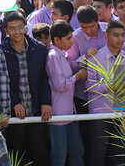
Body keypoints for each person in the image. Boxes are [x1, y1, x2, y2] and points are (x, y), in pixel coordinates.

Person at [0, 11, 51, 166]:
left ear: (25, 27)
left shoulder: (39, 49)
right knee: (17, 155)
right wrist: (14, 102)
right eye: (12, 28)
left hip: (37, 110)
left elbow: (45, 78)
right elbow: (3, 81)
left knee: (39, 154)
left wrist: (45, 102)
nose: (17, 32)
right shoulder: (1, 51)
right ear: (6, 31)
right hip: (15, 114)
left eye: (20, 27)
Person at [85, 20, 125, 165]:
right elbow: (89, 85)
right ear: (107, 36)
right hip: (99, 115)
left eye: (122, 35)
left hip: (121, 116)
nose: (120, 39)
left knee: (119, 158)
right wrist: (109, 85)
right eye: (116, 35)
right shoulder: (95, 58)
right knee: (98, 156)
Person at [46, 20, 88, 166]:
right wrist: (78, 76)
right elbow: (60, 85)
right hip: (58, 116)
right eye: (68, 38)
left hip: (69, 114)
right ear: (56, 40)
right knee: (59, 157)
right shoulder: (53, 56)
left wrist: (85, 58)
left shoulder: (60, 55)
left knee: (77, 151)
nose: (72, 41)